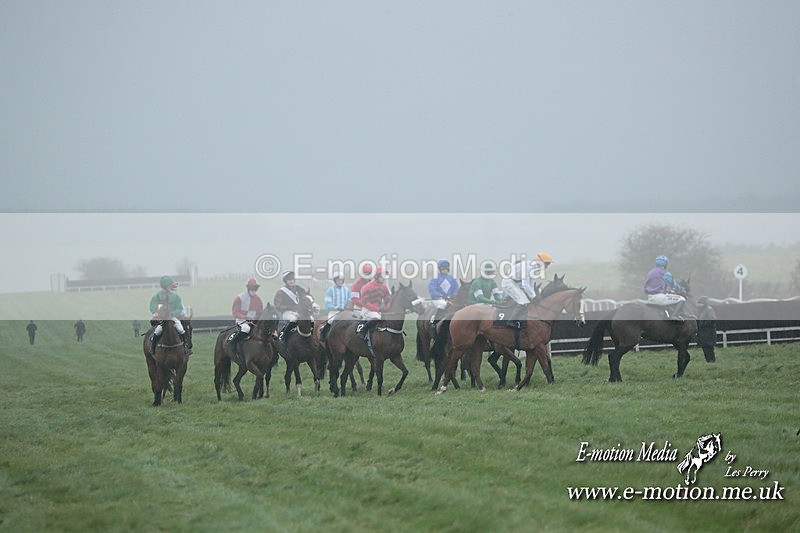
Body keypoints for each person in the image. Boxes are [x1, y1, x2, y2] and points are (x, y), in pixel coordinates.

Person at [148, 276, 189, 355]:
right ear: (164, 286)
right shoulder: (156, 297)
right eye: (169, 285)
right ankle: (152, 348)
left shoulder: (175, 296)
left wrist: (172, 314)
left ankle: (185, 347)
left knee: (180, 329)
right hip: (162, 318)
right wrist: (156, 314)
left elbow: (179, 308)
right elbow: (153, 307)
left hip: (172, 317)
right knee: (158, 330)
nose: (170, 286)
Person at [644, 255, 686, 322]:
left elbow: (655, 285)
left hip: (650, 297)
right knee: (682, 299)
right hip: (659, 297)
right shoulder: (665, 272)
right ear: (666, 264)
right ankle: (674, 316)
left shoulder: (650, 272)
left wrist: (666, 290)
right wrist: (682, 290)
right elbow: (673, 284)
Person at [227, 278, 264, 353]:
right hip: (242, 321)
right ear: (248, 288)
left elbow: (260, 312)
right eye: (252, 288)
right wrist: (245, 317)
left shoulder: (258, 299)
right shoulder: (239, 298)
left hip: (253, 322)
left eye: (255, 288)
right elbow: (235, 312)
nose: (254, 290)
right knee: (246, 329)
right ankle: (232, 344)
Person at [358, 267, 391, 338]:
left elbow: (388, 299)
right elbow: (365, 302)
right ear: (376, 276)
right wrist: (378, 309)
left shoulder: (384, 287)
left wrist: (387, 308)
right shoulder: (366, 287)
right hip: (367, 310)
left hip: (377, 311)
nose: (384, 279)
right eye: (382, 277)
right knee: (377, 317)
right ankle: (362, 331)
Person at [427, 259, 459, 324]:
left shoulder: (452, 278)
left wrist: (454, 295)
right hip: (438, 299)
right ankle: (434, 321)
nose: (445, 269)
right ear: (440, 269)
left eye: (446, 268)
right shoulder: (435, 278)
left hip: (450, 299)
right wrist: (440, 296)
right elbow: (432, 289)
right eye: (443, 268)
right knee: (443, 304)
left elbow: (456, 288)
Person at [274, 271, 302, 339]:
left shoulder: (298, 290)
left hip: (298, 312)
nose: (291, 281)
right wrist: (289, 307)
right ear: (285, 281)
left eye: (292, 279)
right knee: (293, 320)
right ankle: (284, 336)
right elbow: (278, 305)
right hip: (287, 313)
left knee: (310, 319)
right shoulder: (281, 292)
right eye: (289, 280)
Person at [696, 296, 717, 362]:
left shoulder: (709, 309)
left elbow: (713, 319)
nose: (699, 304)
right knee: (705, 348)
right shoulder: (701, 311)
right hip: (703, 333)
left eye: (700, 303)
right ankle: (708, 361)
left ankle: (711, 361)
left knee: (709, 348)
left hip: (709, 332)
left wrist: (704, 324)